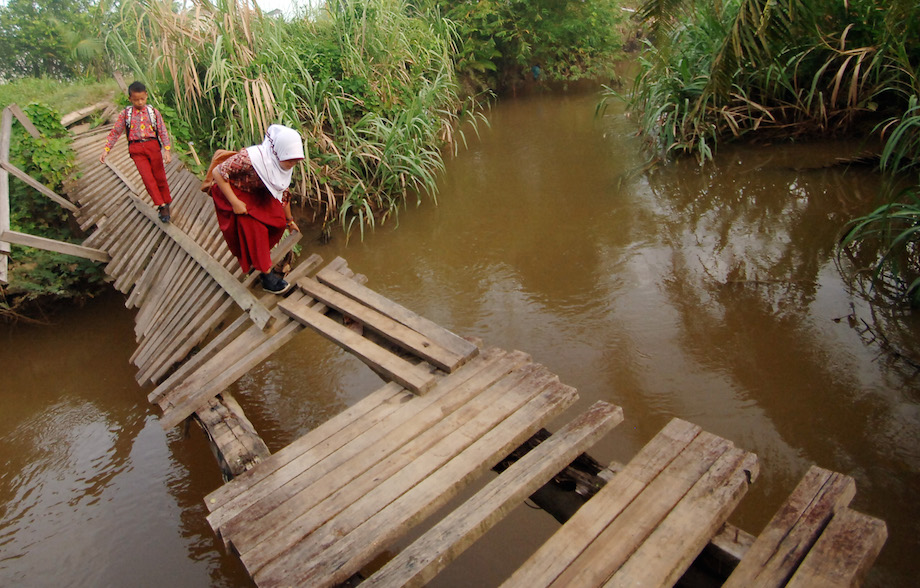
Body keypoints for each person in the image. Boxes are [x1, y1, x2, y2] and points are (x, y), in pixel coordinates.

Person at [209, 124, 303, 294]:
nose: (292, 164)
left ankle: (256, 255)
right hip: (233, 190)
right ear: (277, 152)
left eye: (296, 161)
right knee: (254, 228)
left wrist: (289, 221)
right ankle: (266, 277)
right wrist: (235, 202)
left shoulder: (283, 164)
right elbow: (218, 173)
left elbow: (283, 191)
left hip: (257, 192)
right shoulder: (249, 158)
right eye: (290, 160)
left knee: (277, 222)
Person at [100, 81, 174, 223]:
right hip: (136, 150)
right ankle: (161, 205)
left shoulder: (153, 113)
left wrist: (167, 150)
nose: (139, 102)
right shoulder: (126, 114)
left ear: (146, 96)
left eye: (142, 99)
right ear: (130, 99)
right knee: (147, 179)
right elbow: (115, 132)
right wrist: (106, 150)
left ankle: (166, 200)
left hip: (153, 146)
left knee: (160, 177)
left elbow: (162, 131)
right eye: (136, 99)